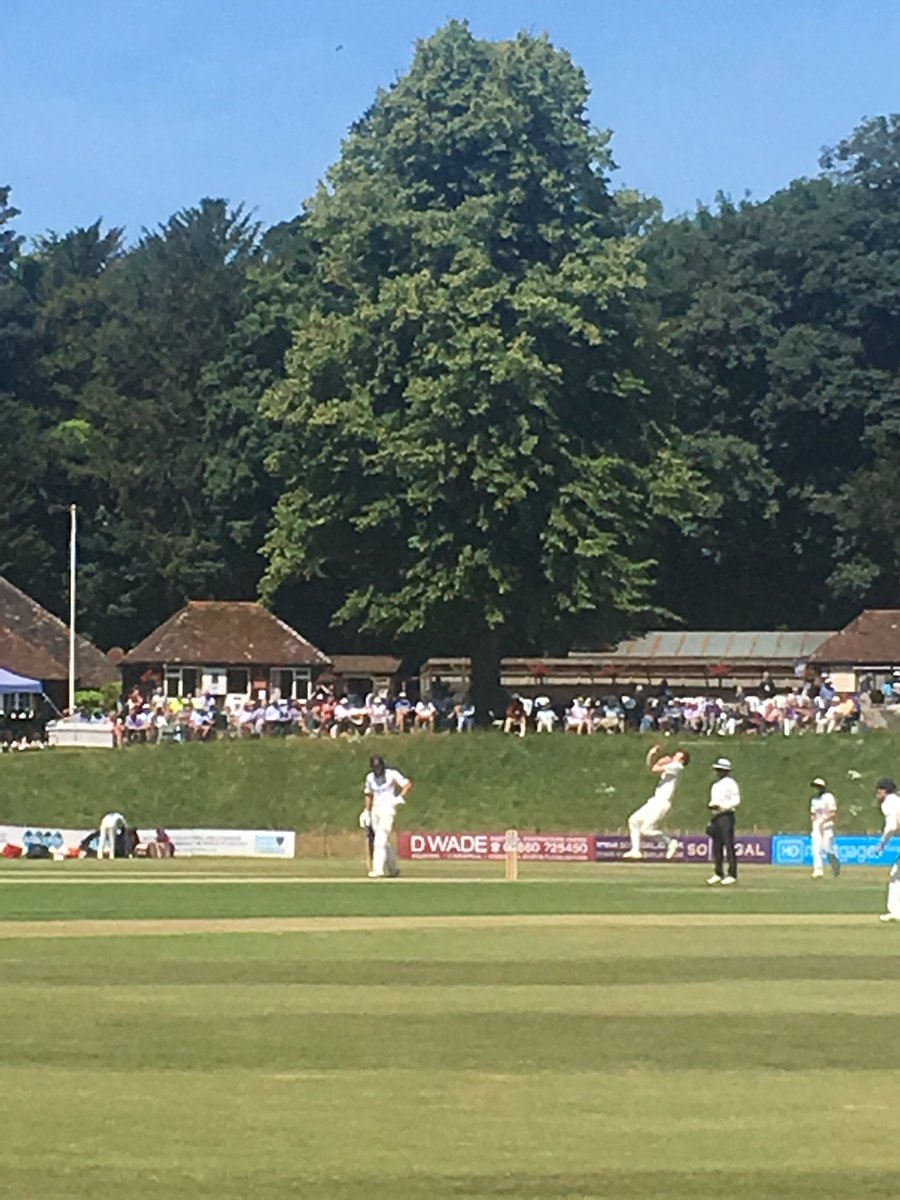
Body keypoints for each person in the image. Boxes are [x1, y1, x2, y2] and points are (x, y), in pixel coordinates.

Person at [623, 745, 690, 860]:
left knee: (646, 830)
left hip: (662, 802)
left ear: (682, 761)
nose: (674, 757)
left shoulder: (678, 767)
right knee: (633, 820)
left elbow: (655, 768)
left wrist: (660, 759)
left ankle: (670, 842)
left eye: (677, 757)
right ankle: (635, 851)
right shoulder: (672, 765)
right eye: (674, 755)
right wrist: (651, 754)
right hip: (655, 800)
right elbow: (651, 767)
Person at [362, 754, 412, 878]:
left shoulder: (392, 774)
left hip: (388, 809)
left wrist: (400, 797)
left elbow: (407, 785)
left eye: (379, 768)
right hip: (375, 810)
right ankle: (393, 869)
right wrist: (366, 811)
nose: (378, 771)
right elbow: (368, 794)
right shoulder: (370, 778)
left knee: (380, 839)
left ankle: (378, 869)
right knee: (384, 842)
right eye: (375, 768)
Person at [707, 758, 740, 885]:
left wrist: (723, 807)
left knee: (728, 844)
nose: (718, 772)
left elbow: (736, 800)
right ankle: (718, 872)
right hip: (716, 816)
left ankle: (732, 874)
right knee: (717, 846)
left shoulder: (731, 783)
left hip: (726, 815)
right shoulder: (715, 785)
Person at [874, 777, 900, 923]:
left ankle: (895, 911)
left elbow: (891, 826)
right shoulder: (897, 800)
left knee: (896, 876)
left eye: (878, 791)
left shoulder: (888, 802)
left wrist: (881, 845)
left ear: (884, 791)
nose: (877, 794)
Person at [809, 776, 840, 879]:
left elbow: (833, 813)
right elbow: (813, 814)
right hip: (817, 826)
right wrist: (814, 822)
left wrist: (823, 822)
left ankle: (835, 865)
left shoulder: (829, 797)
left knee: (827, 849)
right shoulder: (814, 800)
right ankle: (818, 870)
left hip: (827, 825)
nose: (816, 789)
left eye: (818, 786)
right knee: (816, 847)